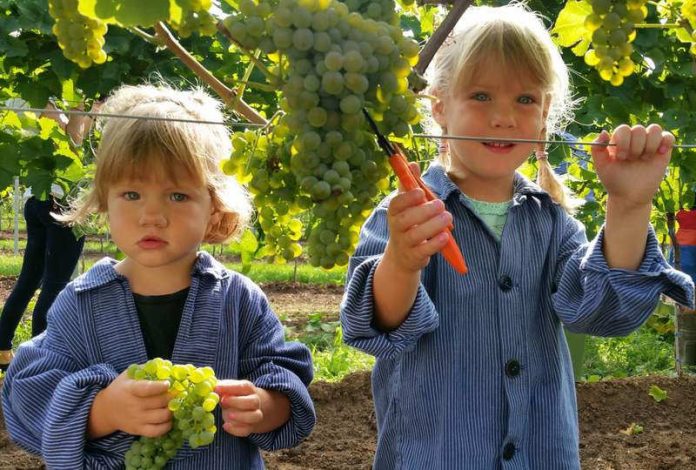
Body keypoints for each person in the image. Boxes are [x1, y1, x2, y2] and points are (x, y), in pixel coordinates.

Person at [340, 4, 694, 469]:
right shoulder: (402, 215)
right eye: (481, 96)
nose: (504, 117)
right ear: (440, 105)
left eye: (525, 100)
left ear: (545, 114)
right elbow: (376, 330)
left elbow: (603, 313)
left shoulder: (553, 224)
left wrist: (629, 206)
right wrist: (402, 263)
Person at [2, 83, 315, 469]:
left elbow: (284, 374)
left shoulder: (240, 300)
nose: (152, 215)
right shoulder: (81, 303)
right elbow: (29, 395)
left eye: (178, 196)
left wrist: (267, 405)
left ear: (214, 209)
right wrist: (102, 411)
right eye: (132, 194)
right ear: (104, 200)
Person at [0, 100, 98, 371]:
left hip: (38, 201)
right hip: (61, 203)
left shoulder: (34, 101)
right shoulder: (45, 102)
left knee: (29, 279)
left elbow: (73, 136)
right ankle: (41, 357)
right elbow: (74, 142)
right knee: (55, 283)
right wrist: (85, 111)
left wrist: (87, 112)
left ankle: (2, 347)